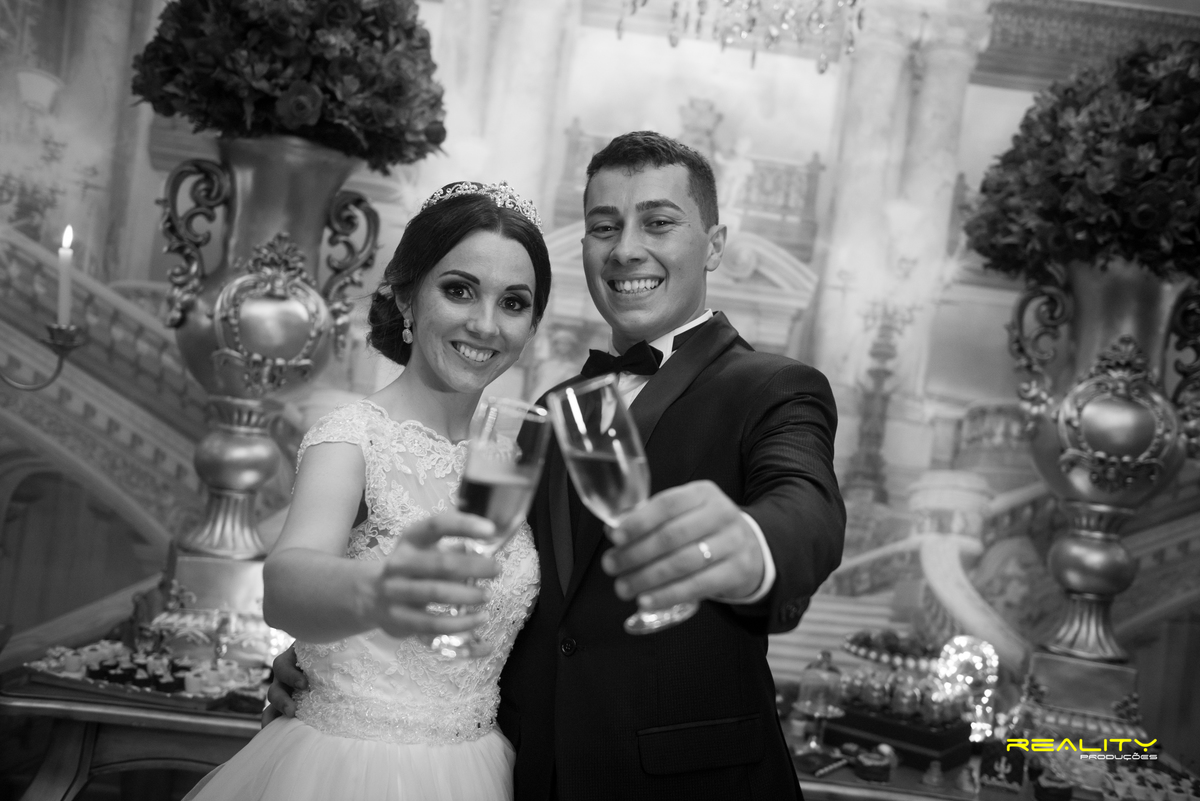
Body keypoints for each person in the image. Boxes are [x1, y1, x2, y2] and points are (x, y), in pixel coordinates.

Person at [271, 132, 845, 800]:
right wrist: (333, 655)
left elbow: (806, 506)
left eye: (659, 222)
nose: (626, 248)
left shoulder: (774, 387)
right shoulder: (550, 411)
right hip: (528, 773)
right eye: (604, 226)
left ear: (714, 244)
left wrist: (749, 545)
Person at [185, 181, 552, 801]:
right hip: (348, 771)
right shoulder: (352, 438)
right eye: (459, 290)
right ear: (406, 297)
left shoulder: (514, 462)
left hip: (482, 766)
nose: (485, 323)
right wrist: (381, 592)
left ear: (532, 323)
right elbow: (287, 584)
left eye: (513, 302)